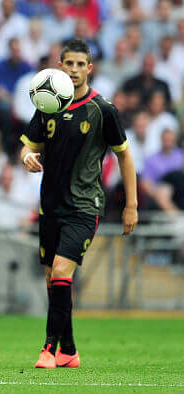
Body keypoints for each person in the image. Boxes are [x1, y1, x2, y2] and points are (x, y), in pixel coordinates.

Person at [20, 39, 138, 369]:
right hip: (50, 205)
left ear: (90, 68)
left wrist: (132, 205)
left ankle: (48, 349)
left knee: (60, 272)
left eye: (79, 64)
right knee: (54, 280)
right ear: (60, 66)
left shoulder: (103, 109)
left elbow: (125, 157)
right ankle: (69, 350)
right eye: (68, 63)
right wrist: (28, 157)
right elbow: (27, 147)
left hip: (85, 205)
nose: (73, 70)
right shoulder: (46, 103)